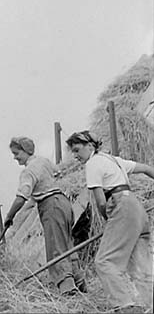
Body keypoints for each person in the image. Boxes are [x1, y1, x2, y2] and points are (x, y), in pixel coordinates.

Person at [66, 130, 153, 313]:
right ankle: (148, 305)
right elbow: (145, 168)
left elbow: (101, 202)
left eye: (77, 150)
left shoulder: (92, 164)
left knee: (105, 261)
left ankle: (125, 306)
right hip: (137, 208)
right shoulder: (113, 160)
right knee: (140, 265)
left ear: (90, 146)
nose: (75, 156)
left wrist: (109, 221)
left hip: (121, 207)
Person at [4, 136, 86, 296]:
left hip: (51, 206)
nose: (15, 157)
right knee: (67, 245)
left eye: (16, 153)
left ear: (26, 151)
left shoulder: (28, 171)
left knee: (56, 247)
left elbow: (22, 196)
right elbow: (51, 181)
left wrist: (9, 215)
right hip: (64, 202)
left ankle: (68, 289)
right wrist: (17, 217)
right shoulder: (44, 162)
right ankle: (80, 282)